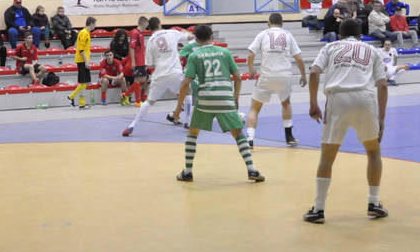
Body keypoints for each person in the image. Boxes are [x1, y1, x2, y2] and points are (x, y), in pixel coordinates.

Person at [304, 18, 389, 224]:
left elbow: (314, 72)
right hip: (364, 98)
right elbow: (383, 85)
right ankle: (373, 203)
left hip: (337, 98)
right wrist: (381, 118)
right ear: (361, 36)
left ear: (340, 35)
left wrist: (313, 103)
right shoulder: (372, 50)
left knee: (327, 156)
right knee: (373, 152)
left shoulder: (331, 47)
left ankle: (319, 209)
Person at [172, 25, 263, 183]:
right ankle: (252, 170)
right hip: (225, 98)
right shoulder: (225, 52)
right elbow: (238, 77)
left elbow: (186, 83)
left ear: (196, 40)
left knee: (192, 134)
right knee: (238, 134)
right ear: (212, 37)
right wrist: (235, 98)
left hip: (205, 100)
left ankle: (187, 172)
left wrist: (178, 108)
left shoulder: (194, 56)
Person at [244, 13, 307, 148]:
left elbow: (251, 54)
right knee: (286, 103)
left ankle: (250, 138)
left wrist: (251, 70)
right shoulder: (288, 35)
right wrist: (303, 75)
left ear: (268, 23)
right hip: (284, 75)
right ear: (282, 23)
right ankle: (289, 136)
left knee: (254, 108)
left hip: (266, 74)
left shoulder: (263, 34)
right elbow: (299, 58)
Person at [122, 19, 191, 136]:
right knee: (188, 92)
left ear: (149, 28)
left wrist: (159, 59)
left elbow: (149, 65)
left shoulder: (150, 41)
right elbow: (191, 37)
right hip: (174, 72)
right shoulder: (172, 32)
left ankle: (132, 125)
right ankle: (188, 122)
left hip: (159, 75)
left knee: (149, 102)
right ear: (159, 24)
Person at [67, 17, 97, 108]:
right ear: (91, 24)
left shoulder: (86, 33)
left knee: (83, 82)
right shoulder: (84, 33)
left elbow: (84, 47)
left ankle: (82, 103)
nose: (95, 26)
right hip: (82, 60)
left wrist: (88, 52)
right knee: (87, 82)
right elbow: (80, 48)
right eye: (95, 24)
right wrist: (86, 61)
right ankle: (71, 96)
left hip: (83, 60)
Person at [120, 16, 149, 106]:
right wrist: (133, 61)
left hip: (141, 61)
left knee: (143, 79)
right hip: (137, 61)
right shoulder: (135, 33)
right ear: (144, 23)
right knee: (137, 79)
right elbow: (131, 47)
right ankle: (138, 101)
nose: (147, 26)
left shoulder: (141, 34)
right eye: (147, 24)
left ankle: (126, 94)